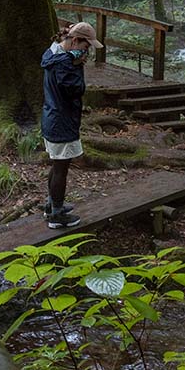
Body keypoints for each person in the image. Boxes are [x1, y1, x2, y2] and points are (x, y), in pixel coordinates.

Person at [40, 21, 103, 229]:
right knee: (61, 169)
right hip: (62, 121)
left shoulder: (52, 54)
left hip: (52, 117)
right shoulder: (65, 64)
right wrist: (78, 68)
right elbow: (76, 90)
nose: (86, 52)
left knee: (57, 164)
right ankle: (56, 216)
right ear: (75, 40)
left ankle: (52, 205)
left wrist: (73, 60)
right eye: (86, 47)